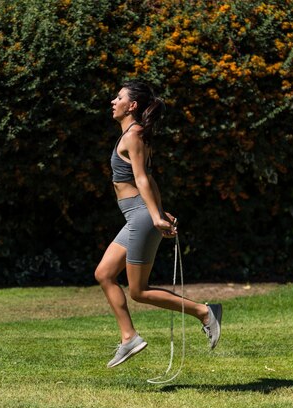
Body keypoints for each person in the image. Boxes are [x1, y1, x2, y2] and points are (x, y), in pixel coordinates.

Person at [95, 80, 222, 368]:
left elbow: (142, 179)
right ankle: (129, 338)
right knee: (104, 274)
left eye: (119, 97)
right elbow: (149, 179)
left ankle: (204, 312)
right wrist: (160, 211)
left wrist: (155, 216)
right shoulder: (131, 133)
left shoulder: (134, 134)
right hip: (136, 215)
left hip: (140, 216)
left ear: (133, 106)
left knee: (138, 291)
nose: (113, 101)